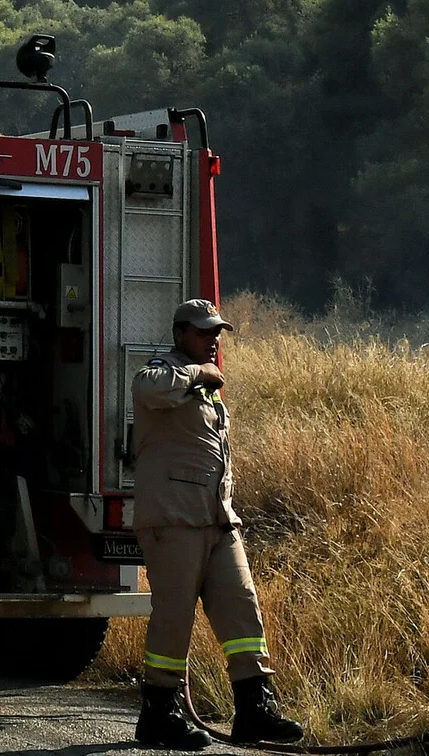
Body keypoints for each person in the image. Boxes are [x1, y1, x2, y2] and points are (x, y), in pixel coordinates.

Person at [132, 299, 303, 750]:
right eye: (205, 332)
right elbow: (146, 389)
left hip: (216, 521)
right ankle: (160, 714)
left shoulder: (207, 387)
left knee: (242, 607)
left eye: (217, 332)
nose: (214, 340)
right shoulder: (164, 371)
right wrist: (198, 374)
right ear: (179, 335)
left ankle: (255, 709)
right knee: (174, 618)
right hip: (173, 520)